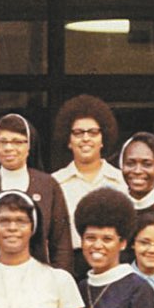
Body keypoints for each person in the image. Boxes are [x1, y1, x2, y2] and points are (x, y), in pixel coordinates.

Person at [0, 113, 76, 271]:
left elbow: (61, 242)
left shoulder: (47, 185)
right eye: (2, 142)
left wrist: (59, 279)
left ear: (29, 146)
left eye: (17, 142)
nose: (9, 148)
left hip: (40, 276)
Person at [52, 94, 126, 229]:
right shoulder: (55, 183)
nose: (85, 138)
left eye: (93, 132)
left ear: (103, 139)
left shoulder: (122, 180)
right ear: (69, 141)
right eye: (78, 132)